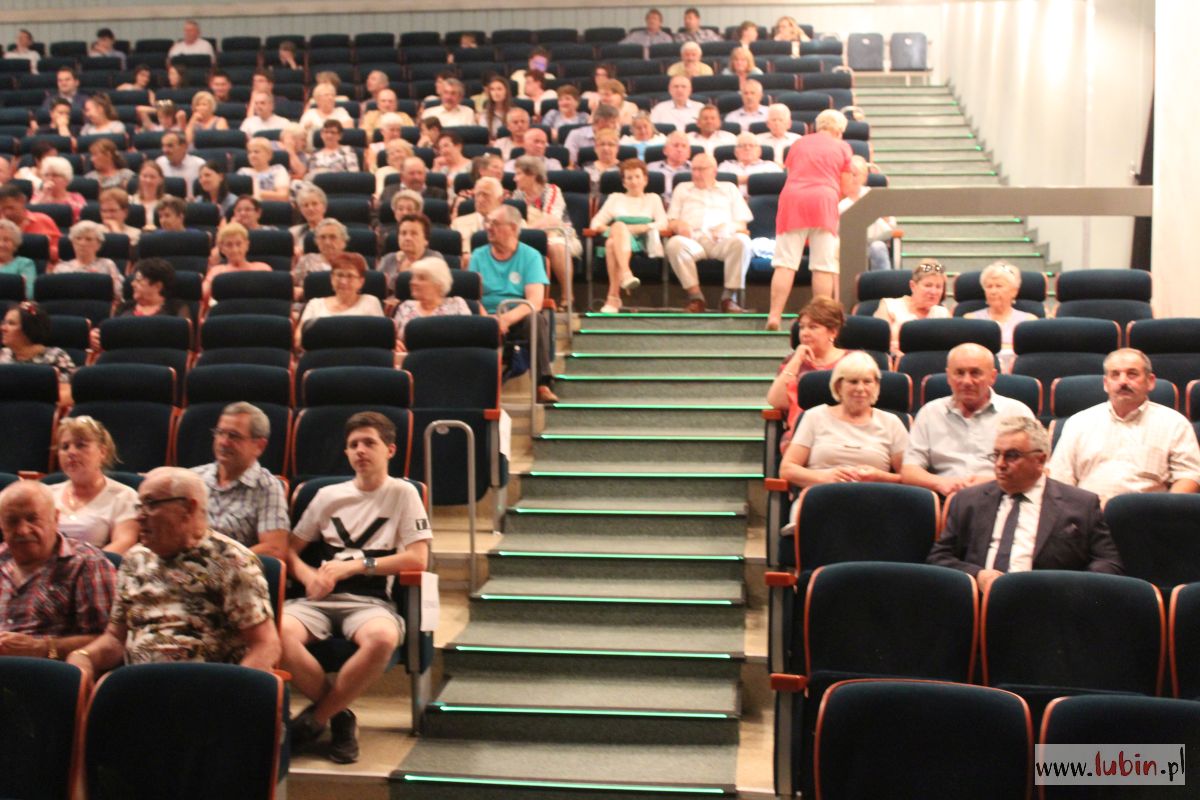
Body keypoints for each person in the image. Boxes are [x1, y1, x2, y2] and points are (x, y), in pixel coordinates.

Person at [282, 412, 432, 764]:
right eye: (353, 445)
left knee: (382, 638)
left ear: (390, 450)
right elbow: (287, 550)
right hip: (318, 600)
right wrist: (308, 576)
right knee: (275, 633)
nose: (360, 450)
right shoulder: (326, 495)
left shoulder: (403, 493)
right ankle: (339, 716)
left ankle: (316, 719)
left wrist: (355, 566)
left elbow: (418, 558)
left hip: (371, 602)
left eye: (369, 443)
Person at [65, 467, 280, 679]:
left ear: (188, 508)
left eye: (151, 504)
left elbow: (265, 644)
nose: (139, 516)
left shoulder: (230, 561)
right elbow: (115, 639)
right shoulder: (135, 560)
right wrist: (84, 655)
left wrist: (232, 691)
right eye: (139, 506)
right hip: (139, 685)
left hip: (206, 686)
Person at [927, 415, 1122, 590]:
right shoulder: (968, 500)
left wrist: (1071, 588)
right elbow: (939, 558)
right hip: (983, 601)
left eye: (1012, 456)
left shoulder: (1081, 504)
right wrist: (977, 575)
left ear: (1040, 460)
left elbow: (1108, 562)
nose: (1000, 464)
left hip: (1051, 603)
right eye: (996, 454)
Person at [1049, 348, 1200, 505]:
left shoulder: (1174, 423)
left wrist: (1167, 509)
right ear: (1106, 383)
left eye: (1132, 374)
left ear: (1150, 381)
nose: (1123, 381)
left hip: (1149, 514)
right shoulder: (1078, 422)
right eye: (1115, 375)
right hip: (1087, 514)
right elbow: (1059, 479)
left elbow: (1189, 476)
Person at [902, 343, 1037, 496]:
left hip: (1002, 496)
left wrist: (994, 481)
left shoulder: (1017, 412)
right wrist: (940, 482)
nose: (967, 381)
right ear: (948, 377)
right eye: (959, 373)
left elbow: (1036, 469)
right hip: (945, 497)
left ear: (992, 377)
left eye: (975, 373)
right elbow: (909, 471)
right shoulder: (930, 413)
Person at [0, 481, 115, 660]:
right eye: (12, 521)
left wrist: (43, 648)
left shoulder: (87, 563)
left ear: (55, 518)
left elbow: (109, 641)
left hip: (49, 671)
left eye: (32, 519)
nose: (22, 530)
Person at [779, 351, 908, 500]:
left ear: (876, 386)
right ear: (838, 386)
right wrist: (824, 477)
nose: (860, 388)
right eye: (853, 382)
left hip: (874, 499)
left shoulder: (891, 423)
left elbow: (910, 476)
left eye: (867, 382)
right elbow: (787, 469)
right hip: (822, 498)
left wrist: (879, 477)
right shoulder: (814, 417)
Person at [768, 109, 854, 325]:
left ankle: (774, 315)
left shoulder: (798, 143)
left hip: (793, 200)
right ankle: (820, 318)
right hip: (824, 200)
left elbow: (791, 173)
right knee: (823, 265)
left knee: (785, 263)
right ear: (839, 130)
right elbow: (846, 186)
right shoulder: (842, 147)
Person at [470, 205, 558, 402]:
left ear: (512, 227)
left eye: (494, 223)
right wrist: (490, 320)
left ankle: (542, 385)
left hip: (516, 318)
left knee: (536, 320)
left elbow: (535, 301)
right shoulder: (478, 255)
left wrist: (505, 320)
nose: (488, 227)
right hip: (484, 316)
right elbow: (472, 297)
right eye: (488, 222)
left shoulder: (531, 256)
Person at [189, 402, 289, 561]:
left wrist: (219, 562)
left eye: (233, 436)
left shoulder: (267, 487)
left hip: (232, 571)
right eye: (220, 433)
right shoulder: (193, 478)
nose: (223, 442)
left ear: (259, 446)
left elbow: (274, 549)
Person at [665, 152, 753, 313]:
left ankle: (728, 299)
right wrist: (679, 225)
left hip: (722, 240)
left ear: (714, 171)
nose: (696, 173)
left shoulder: (729, 188)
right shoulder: (682, 188)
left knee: (742, 241)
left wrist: (728, 228)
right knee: (674, 244)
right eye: (694, 169)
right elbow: (671, 220)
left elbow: (742, 221)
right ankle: (696, 298)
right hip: (693, 239)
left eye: (701, 169)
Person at [766, 297, 849, 451]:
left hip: (844, 432)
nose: (805, 333)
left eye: (813, 327)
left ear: (833, 331)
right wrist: (797, 360)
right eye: (802, 327)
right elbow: (775, 401)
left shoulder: (852, 361)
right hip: (801, 436)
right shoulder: (793, 361)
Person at [49, 416, 139, 553]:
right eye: (65, 447)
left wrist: (89, 563)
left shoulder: (124, 496)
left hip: (98, 564)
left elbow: (124, 542)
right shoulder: (46, 494)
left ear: (102, 452)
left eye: (80, 445)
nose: (71, 452)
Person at [589, 158, 667, 313]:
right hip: (617, 238)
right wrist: (618, 230)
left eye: (637, 177)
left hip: (641, 242)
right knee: (616, 232)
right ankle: (625, 275)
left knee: (612, 242)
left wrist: (640, 228)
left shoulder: (653, 198)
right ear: (624, 182)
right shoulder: (615, 198)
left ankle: (613, 298)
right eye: (629, 178)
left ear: (645, 179)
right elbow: (595, 224)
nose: (634, 181)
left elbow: (663, 224)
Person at [512, 155, 581, 307]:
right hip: (530, 237)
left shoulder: (552, 190)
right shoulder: (517, 195)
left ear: (532, 174)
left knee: (555, 246)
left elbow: (551, 219)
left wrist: (526, 232)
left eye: (518, 174)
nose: (514, 179)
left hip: (560, 234)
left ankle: (567, 296)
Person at [963, 261, 1037, 372]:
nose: (993, 291)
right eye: (989, 286)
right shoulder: (971, 319)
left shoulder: (1029, 321)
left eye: (999, 286)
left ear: (1014, 291)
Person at [298, 252, 385, 346]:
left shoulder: (370, 302)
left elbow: (380, 338)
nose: (343, 281)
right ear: (331, 278)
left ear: (361, 281)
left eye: (350, 276)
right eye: (339, 275)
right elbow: (299, 340)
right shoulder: (315, 304)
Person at [394, 257, 474, 352]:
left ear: (438, 284)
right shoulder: (405, 306)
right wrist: (394, 342)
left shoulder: (457, 305)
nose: (413, 282)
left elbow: (469, 337)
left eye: (421, 278)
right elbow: (394, 337)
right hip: (410, 358)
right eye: (413, 277)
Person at [0, 302, 74, 404]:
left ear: (28, 329)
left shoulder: (56, 356)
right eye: (4, 322)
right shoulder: (2, 355)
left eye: (11, 323)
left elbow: (68, 395)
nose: (2, 328)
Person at [874, 260, 951, 354]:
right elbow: (878, 344)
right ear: (913, 286)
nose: (933, 292)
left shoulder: (943, 314)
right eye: (928, 285)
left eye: (938, 287)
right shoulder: (889, 306)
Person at [838, 155, 897, 274]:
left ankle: (883, 284)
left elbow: (891, 227)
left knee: (878, 247)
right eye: (848, 174)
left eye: (855, 174)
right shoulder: (835, 196)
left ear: (864, 177)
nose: (851, 178)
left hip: (872, 243)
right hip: (844, 245)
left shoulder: (875, 196)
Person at [107, 257, 190, 327]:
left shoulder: (176, 308)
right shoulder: (124, 307)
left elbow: (183, 335)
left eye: (138, 280)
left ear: (158, 286)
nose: (132, 284)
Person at [52, 220, 122, 301]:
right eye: (78, 238)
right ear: (72, 243)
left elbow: (118, 293)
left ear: (98, 245)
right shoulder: (61, 268)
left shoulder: (107, 265)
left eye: (88, 239)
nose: (82, 243)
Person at [379, 213, 446, 297]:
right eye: (403, 233)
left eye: (414, 233)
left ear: (426, 240)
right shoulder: (388, 259)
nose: (407, 238)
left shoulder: (434, 259)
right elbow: (377, 288)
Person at [203, 222, 272, 301]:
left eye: (239, 244)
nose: (235, 250)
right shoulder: (216, 272)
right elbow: (203, 296)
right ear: (221, 249)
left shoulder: (263, 269)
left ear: (247, 245)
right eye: (229, 245)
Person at [292, 217, 348, 302]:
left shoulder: (354, 262)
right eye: (322, 237)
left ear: (343, 242)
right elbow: (291, 285)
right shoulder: (306, 260)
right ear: (316, 242)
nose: (327, 242)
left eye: (332, 237)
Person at [0, 184, 61, 260]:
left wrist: (40, 246)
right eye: (3, 209)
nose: (7, 213)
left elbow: (60, 252)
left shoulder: (43, 220)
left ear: (22, 201)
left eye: (10, 208)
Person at [451, 176, 506, 257]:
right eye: (477, 195)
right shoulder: (458, 223)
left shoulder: (514, 224)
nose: (480, 200)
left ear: (500, 199)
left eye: (485, 195)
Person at [719, 132, 782, 198]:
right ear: (735, 152)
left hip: (761, 201)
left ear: (759, 151)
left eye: (751, 145)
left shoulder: (771, 166)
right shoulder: (725, 166)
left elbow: (780, 183)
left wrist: (737, 179)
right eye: (742, 146)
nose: (747, 148)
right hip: (731, 201)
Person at [564, 103, 620, 168]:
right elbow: (570, 164)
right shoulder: (576, 135)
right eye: (609, 123)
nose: (613, 126)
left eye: (614, 123)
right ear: (596, 123)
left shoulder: (618, 134)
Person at [32, 156, 86, 222]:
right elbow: (31, 214)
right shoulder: (38, 196)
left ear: (66, 180)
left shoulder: (76, 197)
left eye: (55, 175)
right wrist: (43, 196)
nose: (50, 178)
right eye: (46, 175)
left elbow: (82, 218)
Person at [238, 137, 291, 202]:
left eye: (256, 152)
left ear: (269, 155)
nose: (252, 155)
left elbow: (283, 196)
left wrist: (257, 193)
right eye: (249, 152)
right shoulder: (243, 172)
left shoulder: (278, 170)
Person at [156, 131, 206, 198]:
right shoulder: (159, 163)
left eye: (170, 146)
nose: (165, 150)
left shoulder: (199, 164)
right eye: (163, 146)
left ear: (184, 146)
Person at [648, 131, 693, 204]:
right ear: (665, 150)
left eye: (684, 146)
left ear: (689, 153)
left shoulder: (696, 169)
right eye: (676, 145)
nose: (679, 149)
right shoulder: (651, 168)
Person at [0, 219, 36, 298]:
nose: (1, 244)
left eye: (6, 240)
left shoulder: (25, 264)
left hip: (13, 303)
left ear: (15, 244)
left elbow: (29, 294)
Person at [290, 184, 329, 251]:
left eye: (314, 204)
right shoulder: (294, 232)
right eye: (306, 205)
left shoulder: (335, 230)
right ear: (301, 210)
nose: (310, 208)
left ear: (324, 207)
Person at [130, 160, 166, 229]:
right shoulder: (130, 200)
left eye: (152, 177)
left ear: (160, 180)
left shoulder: (167, 201)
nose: (148, 180)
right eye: (144, 176)